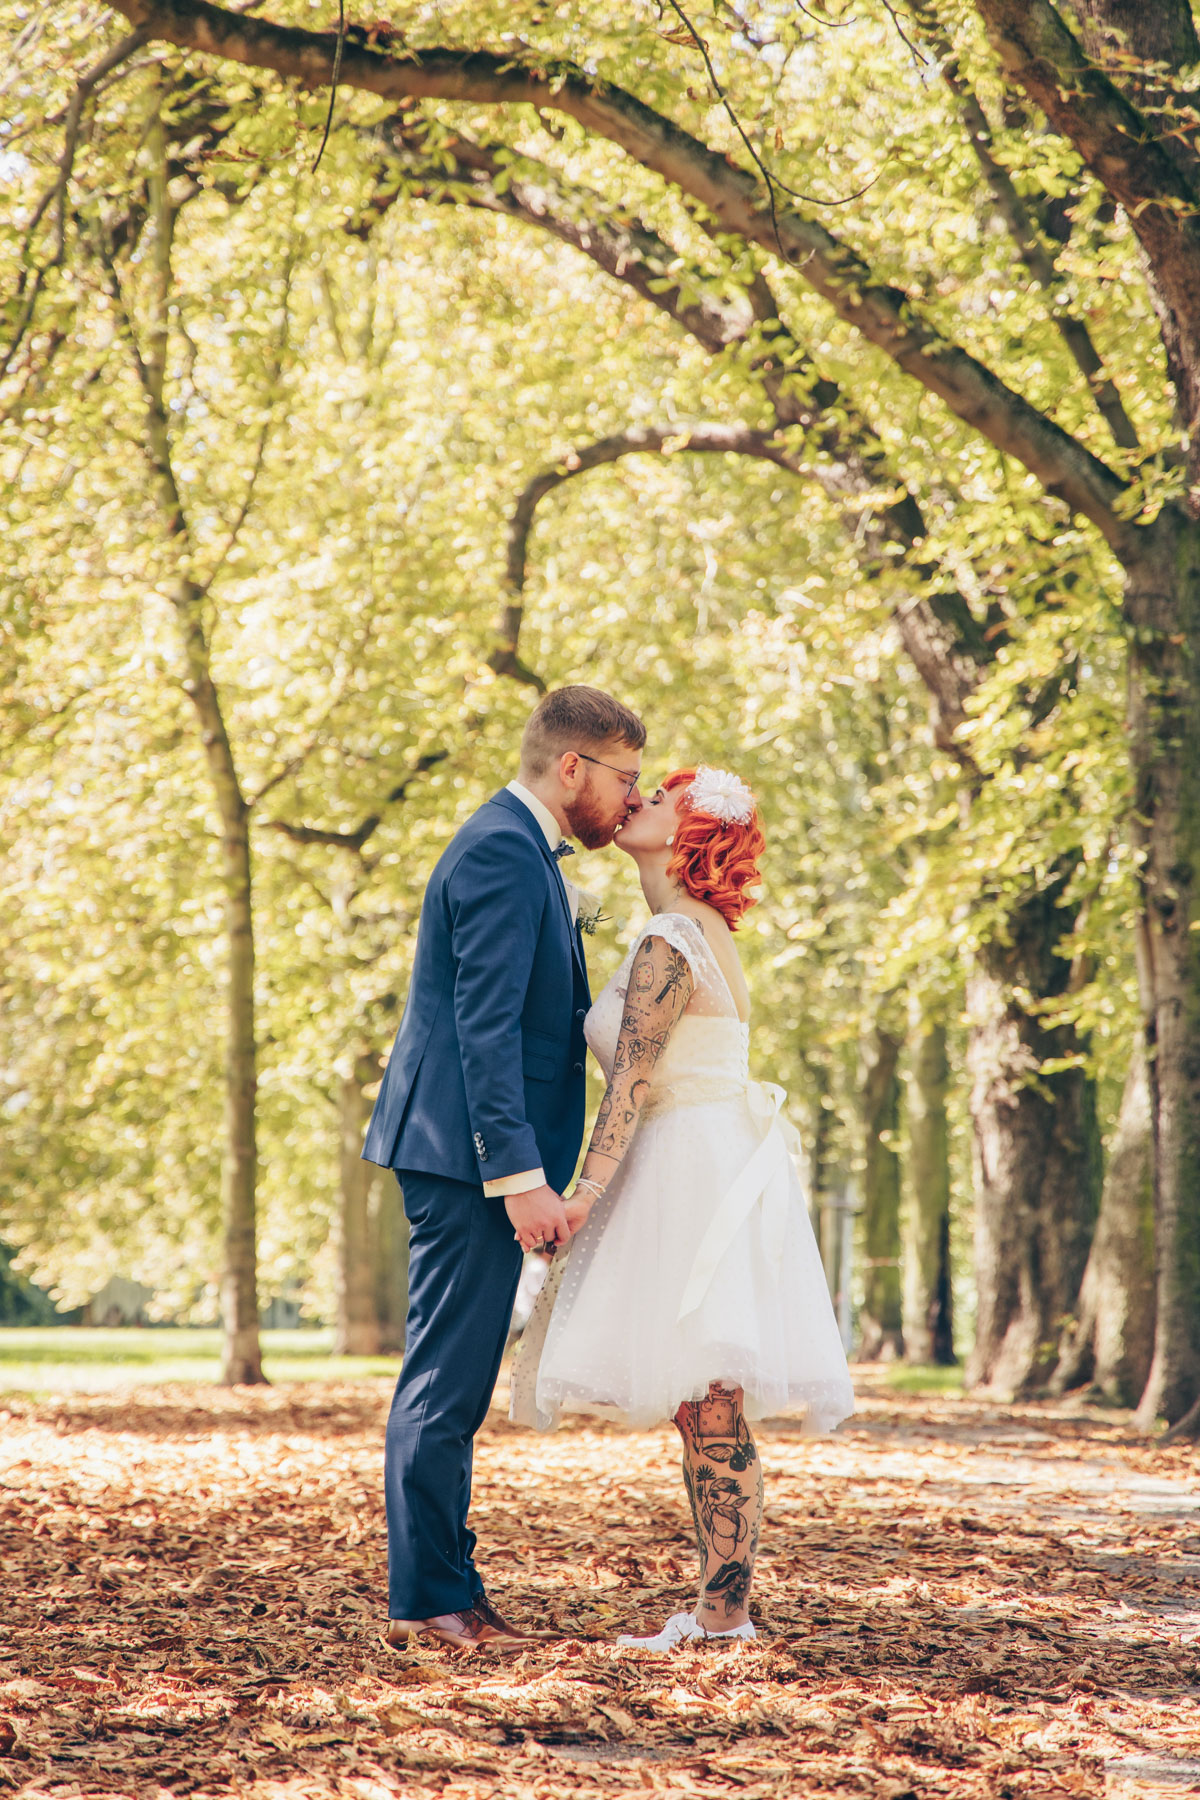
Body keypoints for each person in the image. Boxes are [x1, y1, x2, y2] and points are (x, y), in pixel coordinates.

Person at [512, 765, 855, 1650]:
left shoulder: (672, 938)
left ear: (689, 834)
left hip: (688, 1168)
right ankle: (720, 1607)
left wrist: (583, 1197)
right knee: (703, 1400)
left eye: (659, 799)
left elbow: (630, 1080)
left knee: (709, 1400)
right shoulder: (692, 931)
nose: (638, 802)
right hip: (703, 1155)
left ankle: (723, 1614)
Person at [361, 685, 646, 1652]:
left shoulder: (520, 847)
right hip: (460, 1155)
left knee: (464, 1373)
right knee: (444, 1379)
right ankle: (429, 1600)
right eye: (625, 778)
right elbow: (481, 1030)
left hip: (463, 1151)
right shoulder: (498, 850)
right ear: (574, 768)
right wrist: (517, 1177)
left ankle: (453, 1588)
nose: (629, 798)